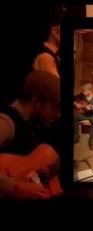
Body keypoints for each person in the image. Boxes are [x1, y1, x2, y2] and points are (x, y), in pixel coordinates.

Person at [0, 70, 62, 199]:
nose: (57, 114)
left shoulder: (34, 123)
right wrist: (13, 187)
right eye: (55, 108)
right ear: (36, 102)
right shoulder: (6, 122)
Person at [74, 83, 93, 150]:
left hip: (92, 114)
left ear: (90, 90)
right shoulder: (81, 95)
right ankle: (76, 136)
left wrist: (91, 109)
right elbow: (74, 98)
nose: (82, 92)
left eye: (84, 90)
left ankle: (91, 141)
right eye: (82, 90)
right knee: (73, 115)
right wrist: (75, 103)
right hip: (83, 114)